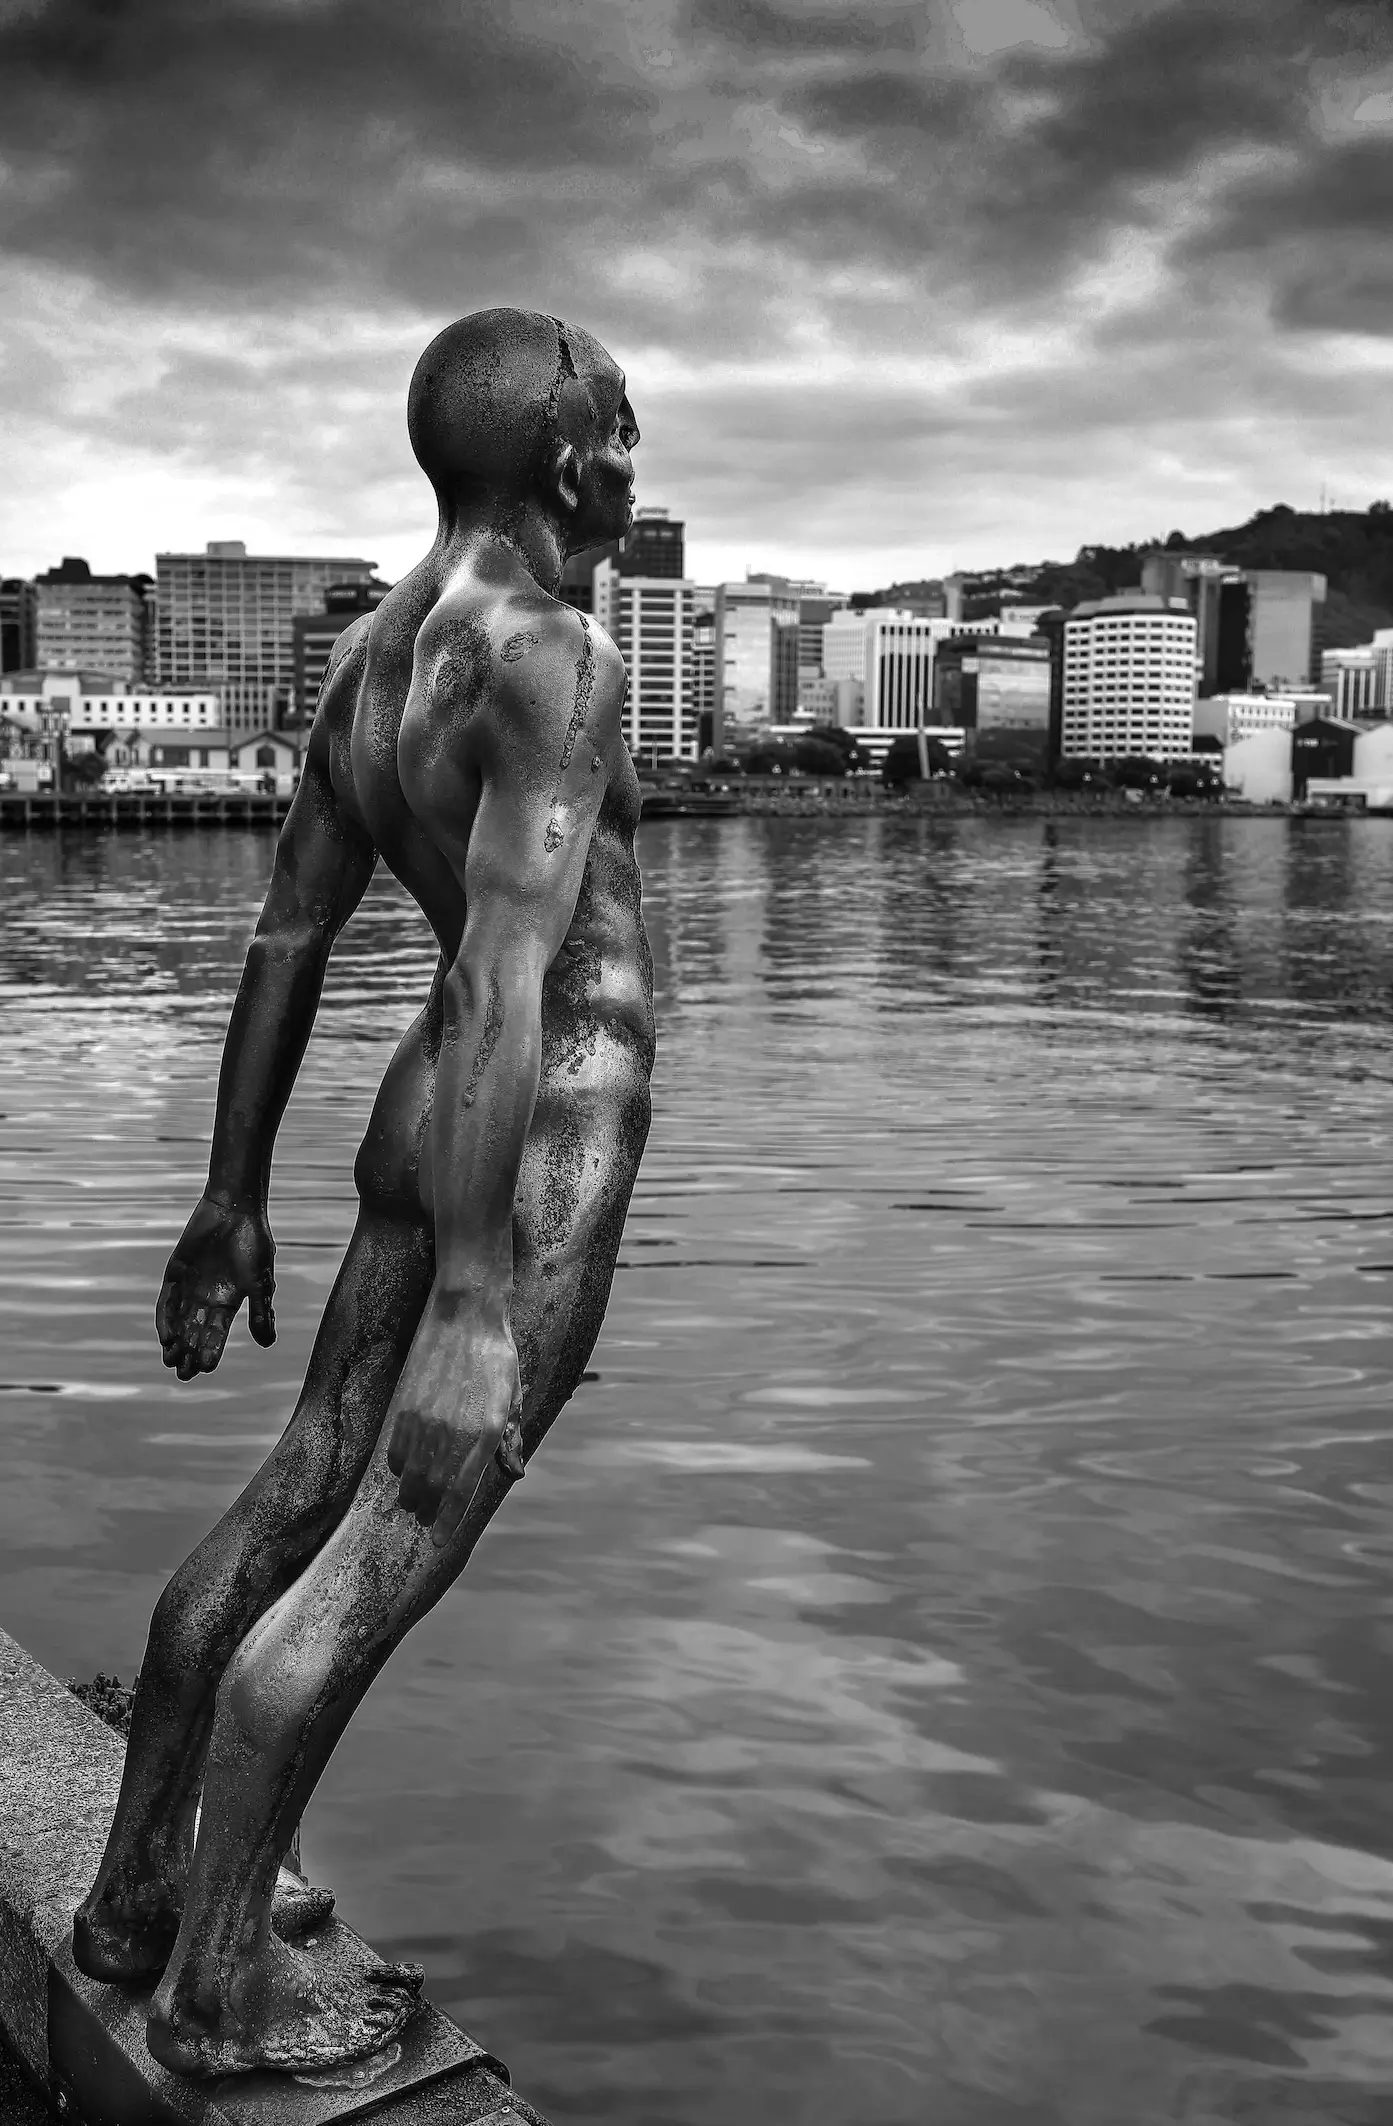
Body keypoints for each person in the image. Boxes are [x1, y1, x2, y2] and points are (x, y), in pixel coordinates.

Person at [72, 309, 655, 2078]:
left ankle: (141, 1888)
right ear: (568, 459)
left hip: (421, 1113)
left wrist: (229, 1195)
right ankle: (225, 1980)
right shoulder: (554, 656)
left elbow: (289, 933)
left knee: (297, 1486)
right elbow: (504, 975)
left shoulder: (368, 662)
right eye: (624, 428)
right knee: (388, 1544)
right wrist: (481, 1301)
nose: (638, 458)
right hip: (533, 1120)